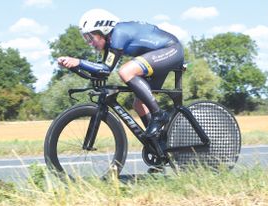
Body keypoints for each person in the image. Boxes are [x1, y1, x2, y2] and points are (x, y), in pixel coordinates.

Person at [58, 9, 184, 138]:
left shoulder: (118, 34)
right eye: (86, 39)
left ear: (103, 30)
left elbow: (106, 69)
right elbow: (102, 70)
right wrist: (74, 66)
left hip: (171, 49)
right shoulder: (109, 43)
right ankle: (159, 141)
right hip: (160, 55)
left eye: (90, 37)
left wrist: (78, 62)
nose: (90, 43)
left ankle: (159, 114)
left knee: (125, 71)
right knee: (139, 104)